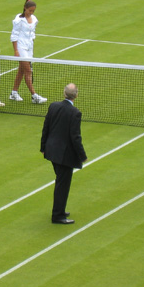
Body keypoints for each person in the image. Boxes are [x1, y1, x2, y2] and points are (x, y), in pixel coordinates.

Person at [41, 83, 87, 224]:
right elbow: (75, 137)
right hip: (63, 156)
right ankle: (58, 215)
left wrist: (43, 147)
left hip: (52, 152)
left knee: (60, 181)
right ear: (76, 95)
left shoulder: (53, 106)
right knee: (62, 185)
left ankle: (60, 210)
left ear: (64, 93)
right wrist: (82, 155)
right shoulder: (75, 113)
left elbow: (46, 127)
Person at [9, 0, 47, 104]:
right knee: (28, 71)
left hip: (29, 47)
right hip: (21, 47)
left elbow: (33, 32)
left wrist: (32, 41)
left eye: (33, 11)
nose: (31, 13)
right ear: (25, 8)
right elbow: (14, 36)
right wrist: (16, 50)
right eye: (30, 10)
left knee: (22, 70)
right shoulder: (19, 20)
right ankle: (34, 96)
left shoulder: (34, 19)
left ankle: (14, 93)